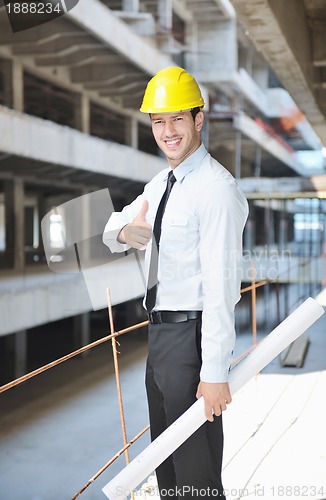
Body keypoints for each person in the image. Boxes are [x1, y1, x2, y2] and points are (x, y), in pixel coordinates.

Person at [103, 67, 249, 499]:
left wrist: (215, 370)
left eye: (177, 119)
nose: (167, 131)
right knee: (167, 471)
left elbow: (223, 288)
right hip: (161, 337)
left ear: (198, 119)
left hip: (192, 338)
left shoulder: (214, 189)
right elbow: (113, 226)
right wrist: (125, 233)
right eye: (157, 121)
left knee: (195, 477)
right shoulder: (160, 183)